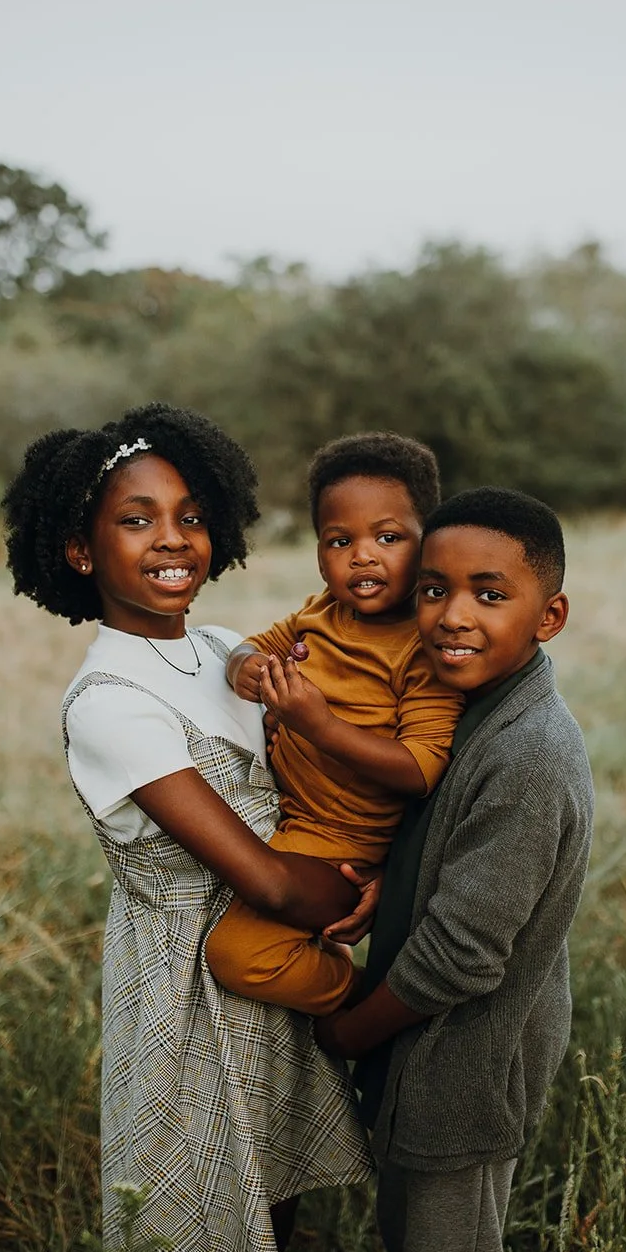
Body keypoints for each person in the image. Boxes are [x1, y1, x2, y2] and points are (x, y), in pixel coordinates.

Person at [2, 403, 372, 1252]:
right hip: (188, 994)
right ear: (80, 551)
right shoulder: (110, 702)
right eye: (136, 519)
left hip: (269, 980)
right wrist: (363, 894)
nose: (173, 539)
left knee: (267, 1238)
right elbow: (272, 883)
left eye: (191, 515)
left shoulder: (220, 651)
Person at [315, 487, 595, 1252]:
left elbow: (462, 954)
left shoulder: (530, 755)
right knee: (414, 1247)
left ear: (548, 617)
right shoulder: (462, 711)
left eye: (488, 593)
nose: (451, 616)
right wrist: (387, 882)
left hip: (467, 1061)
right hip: (422, 1048)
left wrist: (347, 1035)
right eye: (432, 590)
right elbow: (443, 847)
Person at [208, 431, 463, 1013]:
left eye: (389, 537)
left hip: (340, 840)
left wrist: (318, 727)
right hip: (290, 809)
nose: (363, 555)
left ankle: (364, 1001)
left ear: (430, 543)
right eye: (339, 540)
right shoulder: (323, 611)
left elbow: (422, 767)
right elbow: (253, 645)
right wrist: (247, 668)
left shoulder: (422, 649)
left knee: (237, 954)